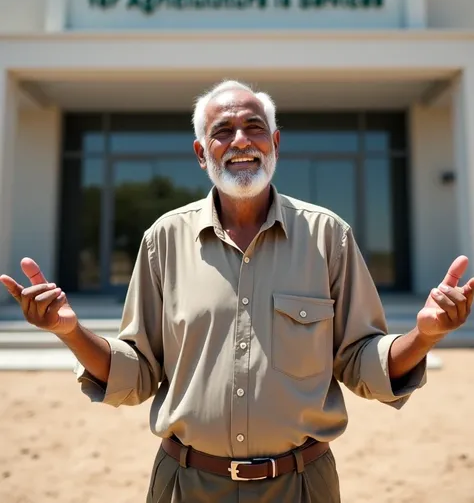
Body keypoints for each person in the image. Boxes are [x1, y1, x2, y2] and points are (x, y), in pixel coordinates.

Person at [1, 79, 473, 503]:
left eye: (254, 127)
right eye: (223, 131)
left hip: (304, 486)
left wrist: (426, 336)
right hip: (184, 486)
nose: (241, 140)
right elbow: (138, 371)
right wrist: (69, 331)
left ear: (276, 143)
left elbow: (360, 361)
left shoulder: (328, 236)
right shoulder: (163, 240)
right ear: (201, 153)